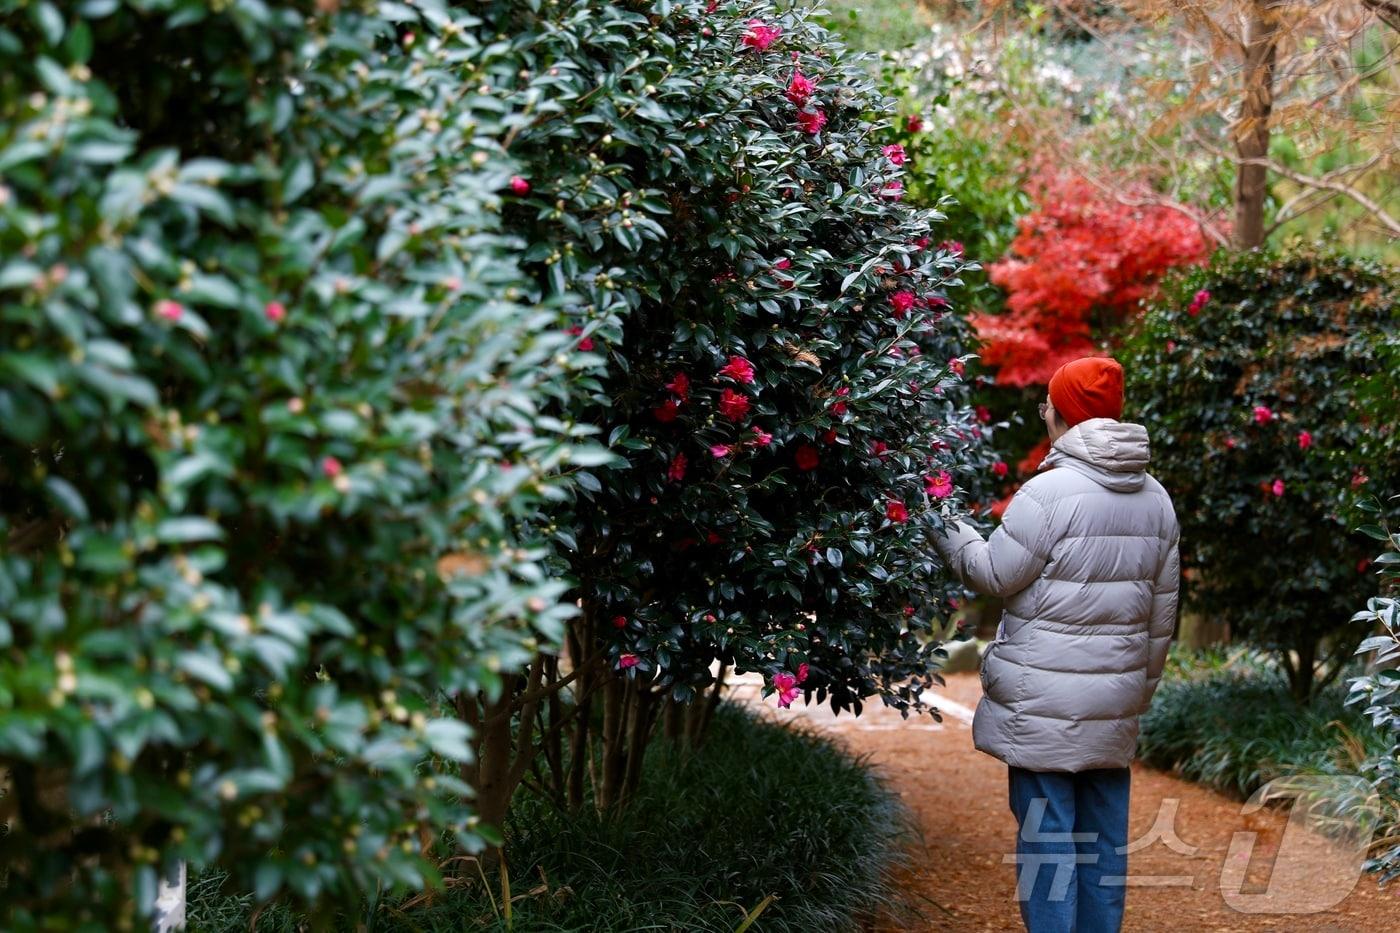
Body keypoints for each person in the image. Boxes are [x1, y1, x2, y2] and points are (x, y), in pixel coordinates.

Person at [933, 356, 1180, 933]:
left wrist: (944, 522)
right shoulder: (1158, 500)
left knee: (1047, 848)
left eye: (1048, 402)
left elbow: (995, 574)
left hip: (1043, 704)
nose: (1042, 410)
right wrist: (1136, 695)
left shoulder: (1050, 493)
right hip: (1113, 704)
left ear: (1066, 414)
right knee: (1103, 847)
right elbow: (1162, 614)